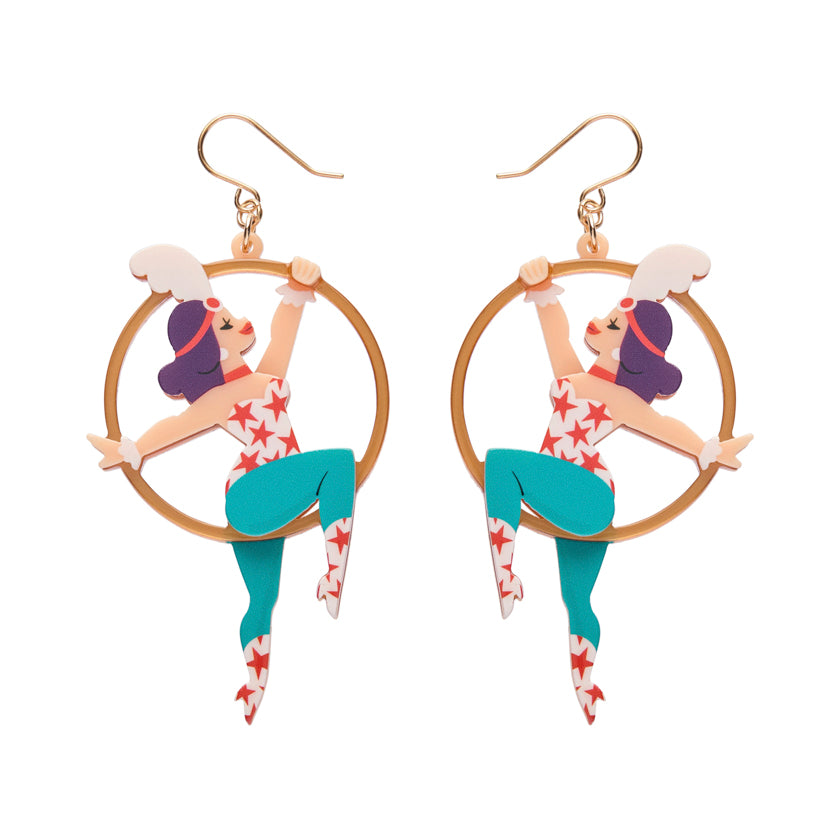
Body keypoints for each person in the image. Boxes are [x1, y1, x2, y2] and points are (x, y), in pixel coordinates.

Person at [484, 245, 752, 724]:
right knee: (576, 597)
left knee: (501, 464)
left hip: (588, 493)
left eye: (611, 324)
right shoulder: (579, 378)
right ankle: (586, 685)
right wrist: (541, 289)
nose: (597, 323)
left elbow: (661, 425)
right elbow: (557, 338)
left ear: (626, 347)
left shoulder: (620, 398)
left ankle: (505, 575)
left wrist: (706, 450)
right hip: (573, 498)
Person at [88, 245, 355, 724]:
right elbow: (178, 424)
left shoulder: (260, 378)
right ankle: (334, 575)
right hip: (251, 493)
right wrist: (133, 449)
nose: (242, 323)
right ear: (214, 345)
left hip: (266, 497)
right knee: (338, 464)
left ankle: (253, 685)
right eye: (228, 323)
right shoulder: (219, 398)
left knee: (263, 598)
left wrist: (298, 288)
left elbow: (282, 337)